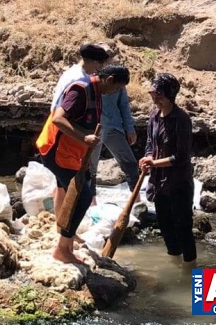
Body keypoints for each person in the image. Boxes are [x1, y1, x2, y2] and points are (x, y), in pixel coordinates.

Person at [37, 64, 131, 264]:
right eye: (115, 88)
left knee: (75, 190)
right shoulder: (81, 89)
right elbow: (58, 118)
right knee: (83, 196)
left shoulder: (97, 90)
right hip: (56, 149)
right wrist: (84, 137)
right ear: (109, 79)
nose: (113, 92)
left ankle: (67, 243)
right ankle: (62, 249)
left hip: (71, 153)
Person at [139, 73, 196, 270]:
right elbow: (149, 143)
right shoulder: (154, 116)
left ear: (170, 96)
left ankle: (190, 269)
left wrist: (154, 163)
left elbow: (181, 157)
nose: (155, 100)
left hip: (179, 182)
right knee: (165, 226)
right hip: (159, 182)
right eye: (153, 95)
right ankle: (174, 262)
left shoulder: (181, 120)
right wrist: (147, 158)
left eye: (159, 96)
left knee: (183, 227)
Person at [49, 42, 111, 215]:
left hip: (62, 134)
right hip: (66, 137)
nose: (99, 69)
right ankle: (66, 232)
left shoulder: (73, 73)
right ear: (91, 61)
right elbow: (61, 115)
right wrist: (84, 137)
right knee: (73, 187)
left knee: (62, 185)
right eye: (99, 64)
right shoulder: (79, 81)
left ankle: (61, 227)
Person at [89, 86, 140, 206]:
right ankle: (92, 204)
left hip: (113, 126)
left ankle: (136, 201)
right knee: (91, 169)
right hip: (93, 129)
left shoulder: (119, 79)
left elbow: (124, 105)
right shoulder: (91, 80)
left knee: (130, 164)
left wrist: (130, 128)